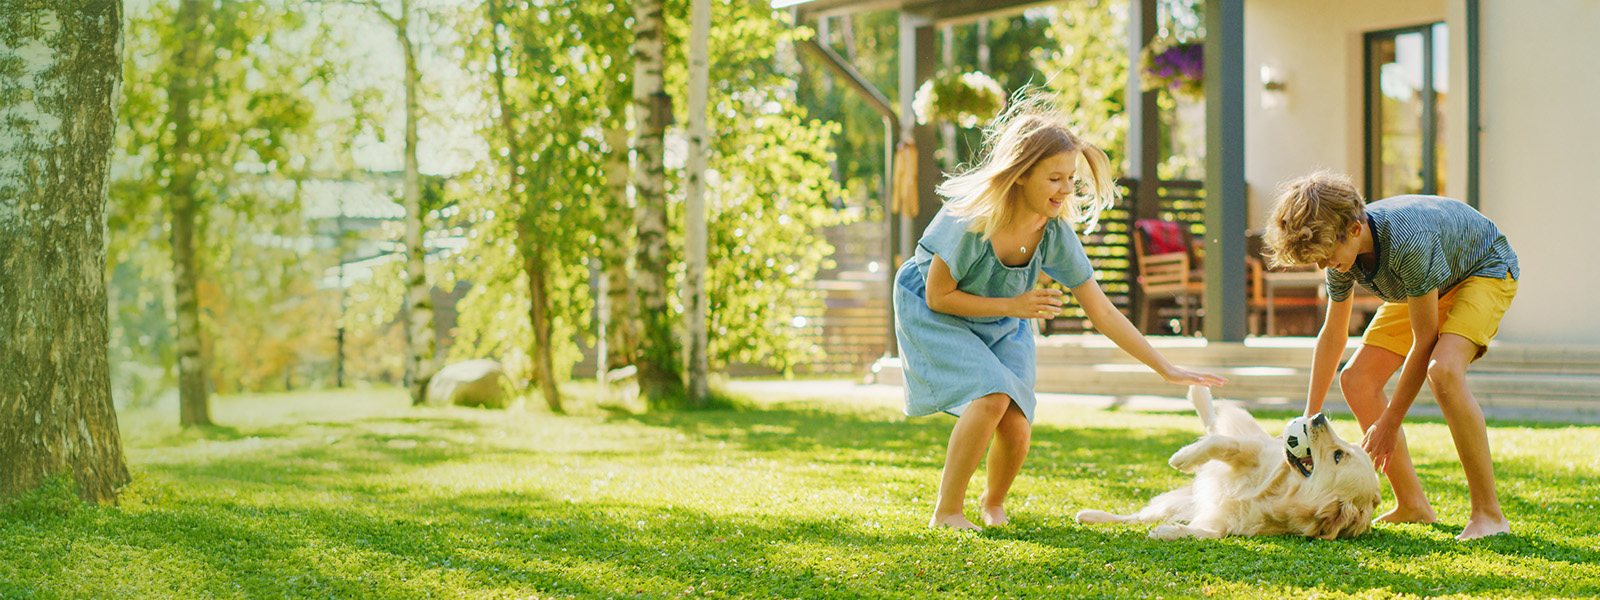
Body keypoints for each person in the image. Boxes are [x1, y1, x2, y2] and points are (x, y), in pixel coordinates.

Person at [893, 95, 1227, 531]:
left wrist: (1165, 368)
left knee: (1016, 423)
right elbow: (939, 296)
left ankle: (992, 504)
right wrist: (1014, 305)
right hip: (936, 314)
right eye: (1054, 178)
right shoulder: (968, 220)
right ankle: (947, 511)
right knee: (992, 396)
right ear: (1019, 175)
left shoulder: (1053, 234)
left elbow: (1103, 313)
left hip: (1001, 320)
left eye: (1070, 178)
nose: (1067, 189)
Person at [1263, 172, 1518, 540]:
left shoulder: (1407, 242)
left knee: (1443, 370)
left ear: (1353, 229)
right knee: (1357, 379)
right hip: (1426, 286)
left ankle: (1488, 515)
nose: (1324, 267)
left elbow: (1425, 339)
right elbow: (1333, 334)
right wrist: (1309, 418)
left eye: (1327, 257)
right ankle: (1413, 505)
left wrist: (1390, 421)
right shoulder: (1341, 257)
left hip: (1483, 270)